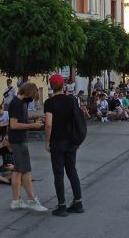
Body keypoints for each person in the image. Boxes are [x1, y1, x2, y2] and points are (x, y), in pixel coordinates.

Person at [44, 74, 85, 217]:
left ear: (51, 85)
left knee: (58, 174)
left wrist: (47, 141)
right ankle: (78, 203)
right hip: (71, 141)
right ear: (63, 85)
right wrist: (77, 140)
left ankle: (61, 206)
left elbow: (48, 124)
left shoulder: (49, 103)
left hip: (57, 142)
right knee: (72, 171)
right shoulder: (72, 100)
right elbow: (77, 120)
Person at [8, 82, 47, 212]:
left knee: (19, 171)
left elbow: (21, 121)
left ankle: (16, 200)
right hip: (18, 141)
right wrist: (32, 126)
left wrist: (34, 121)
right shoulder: (16, 104)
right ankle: (31, 200)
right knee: (23, 171)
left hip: (20, 140)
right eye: (33, 96)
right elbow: (13, 125)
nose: (32, 99)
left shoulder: (21, 103)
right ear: (28, 92)